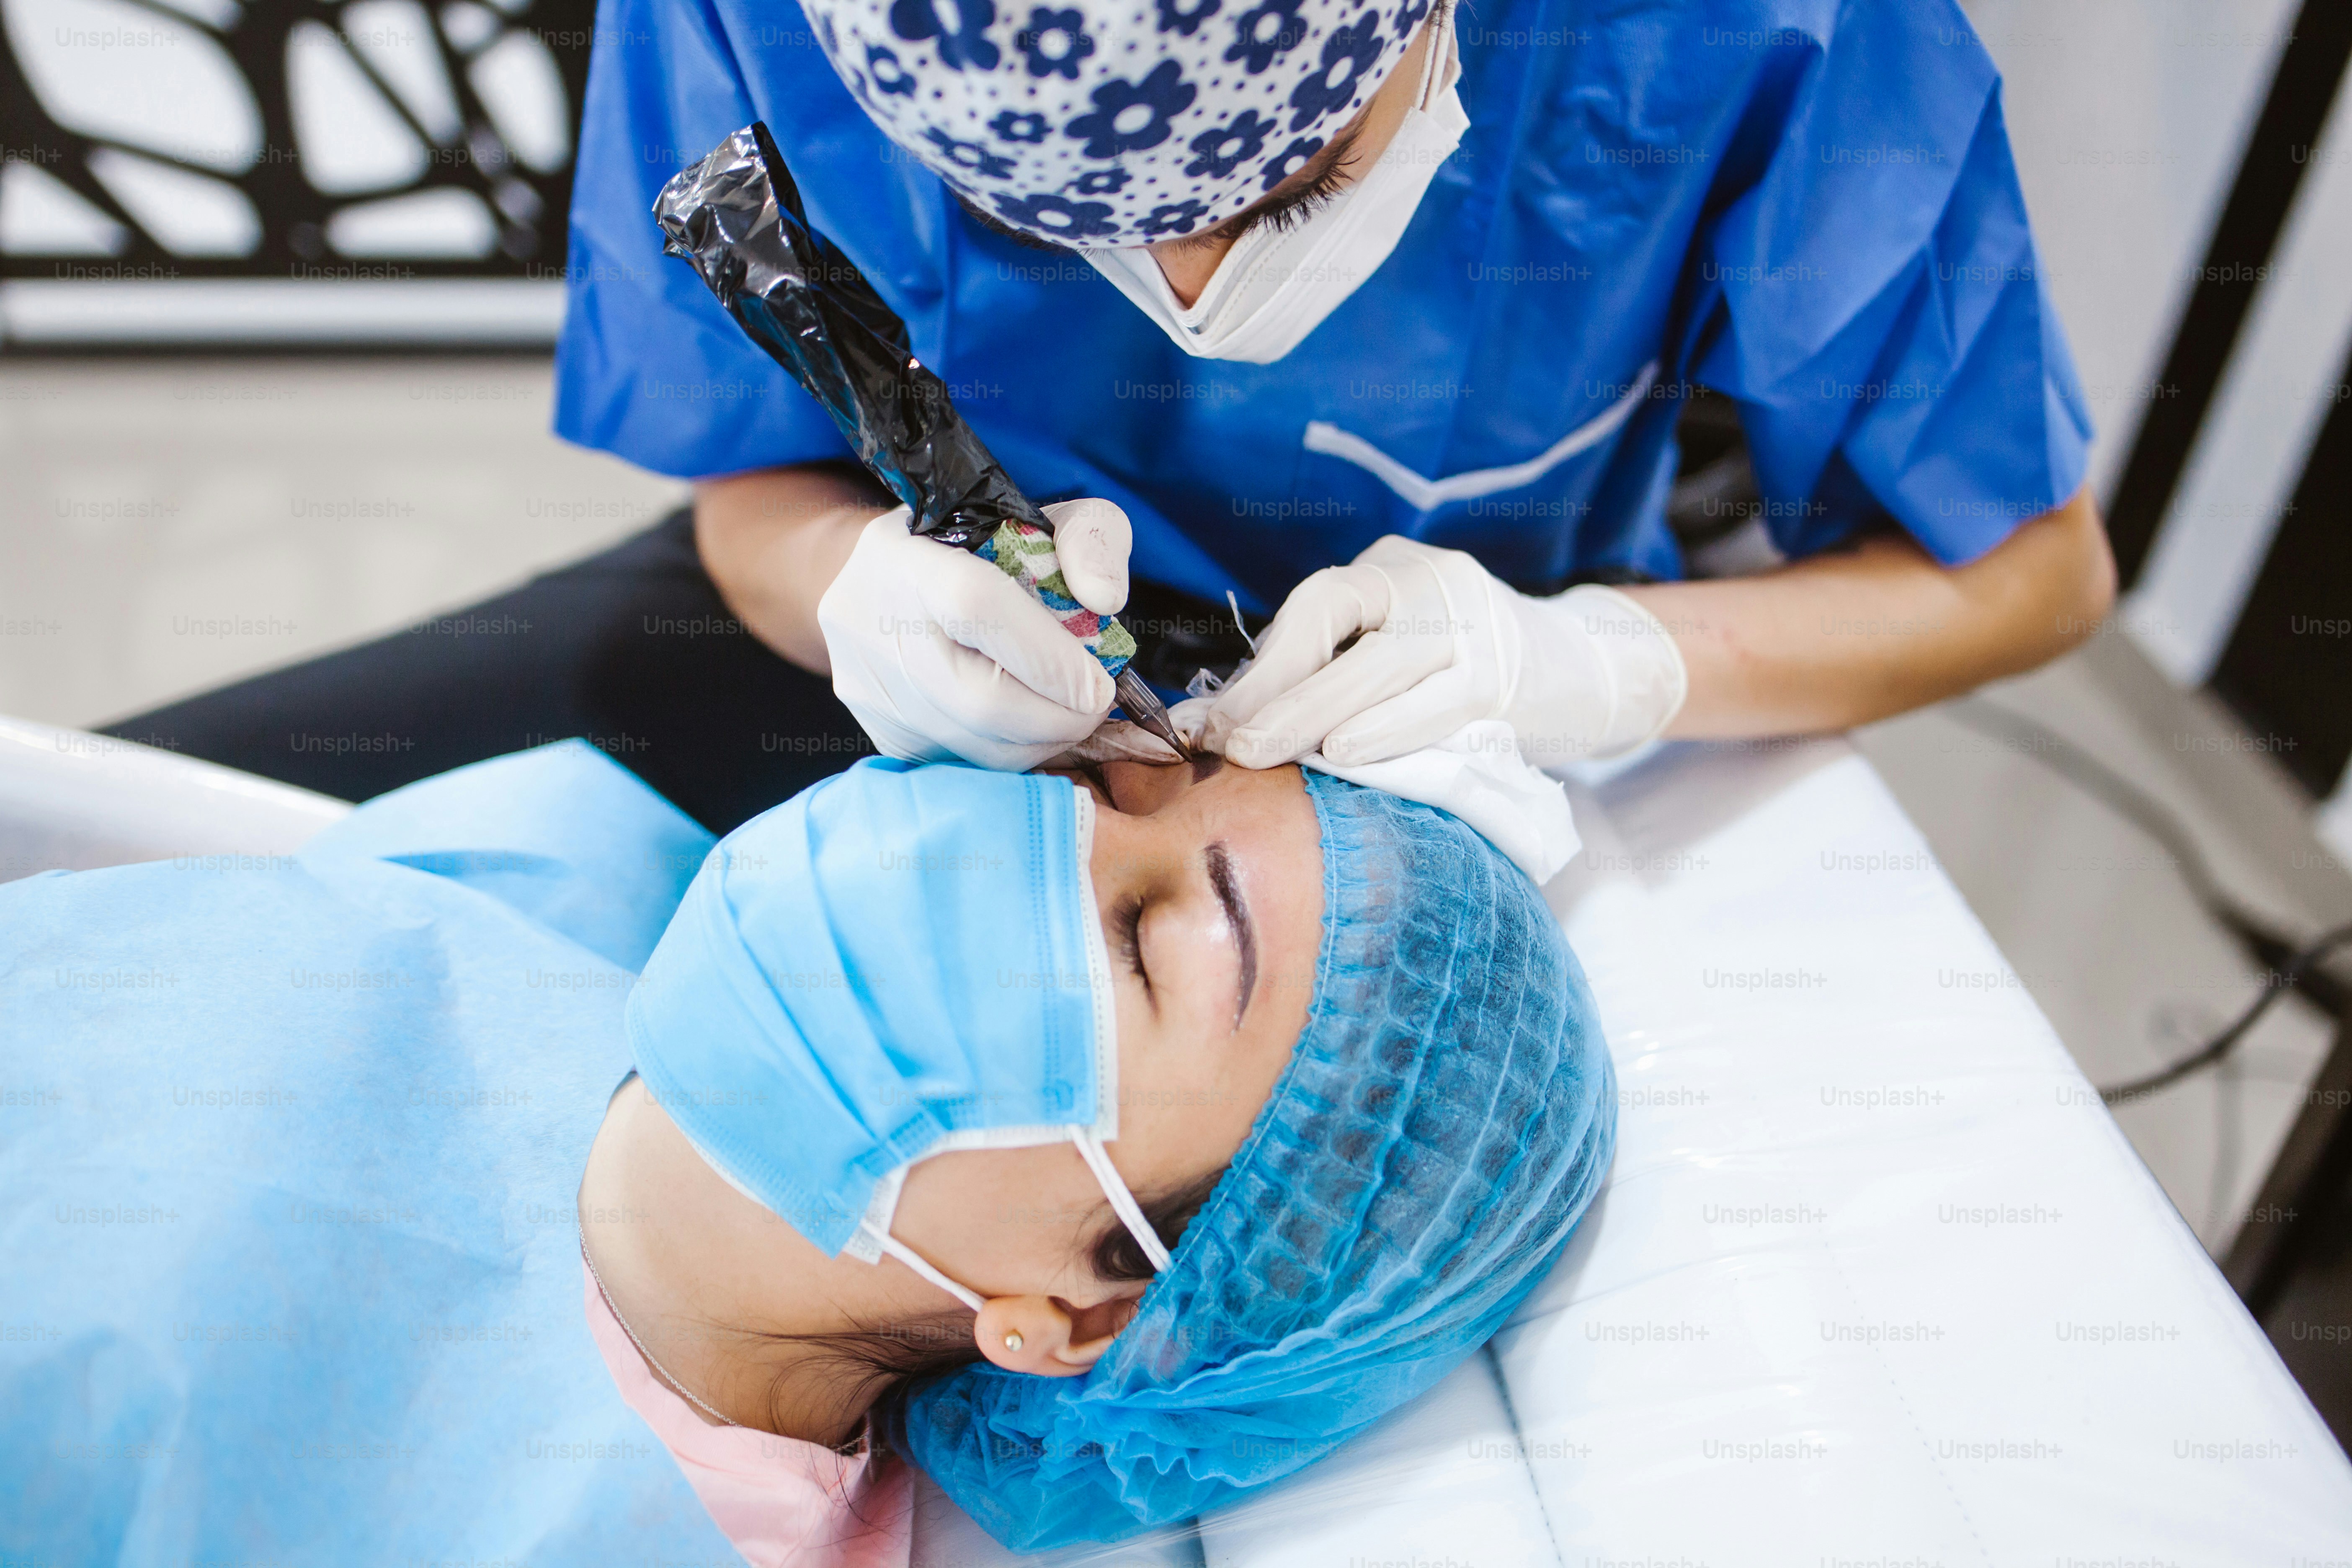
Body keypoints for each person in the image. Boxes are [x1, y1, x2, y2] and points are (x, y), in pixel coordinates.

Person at [108, 0, 2114, 836]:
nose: (1193, 301)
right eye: (1047, 227)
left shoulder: (1763, 32)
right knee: (150, 846)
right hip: (937, 647)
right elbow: (754, 480)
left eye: (1297, 188)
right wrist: (857, 590)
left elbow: (2030, 574)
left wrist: (1586, 662)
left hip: (1449, 729)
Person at [0, 738, 1614, 1561]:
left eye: (1143, 943)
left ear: (1078, 1312)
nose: (1033, 829)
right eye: (1103, 780)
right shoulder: (565, 863)